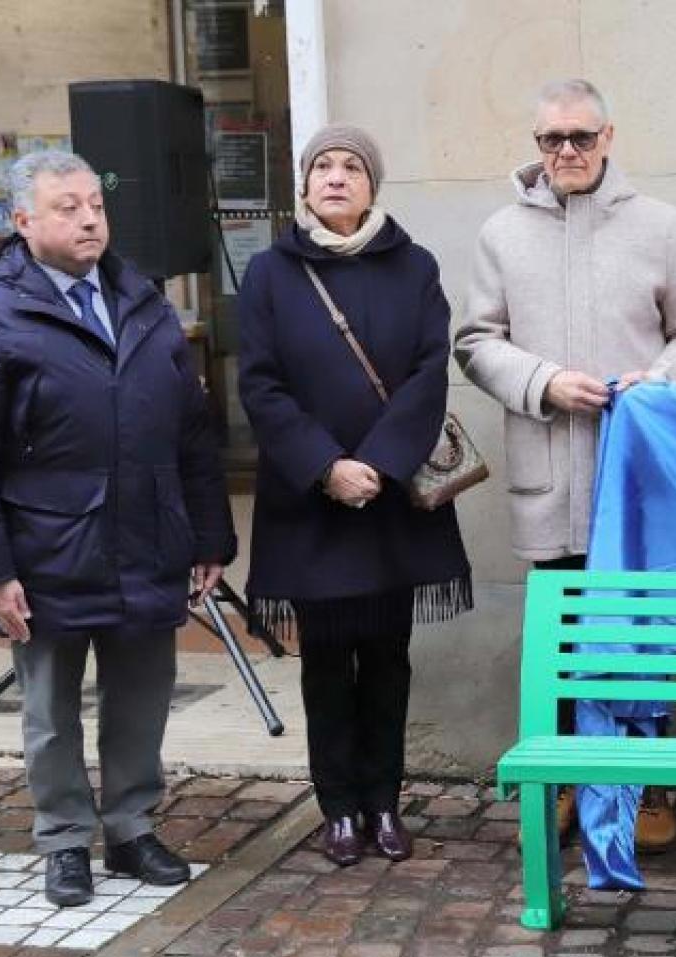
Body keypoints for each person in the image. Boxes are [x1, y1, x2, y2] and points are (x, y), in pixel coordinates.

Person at [0, 150, 235, 906]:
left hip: (147, 539)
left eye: (95, 202)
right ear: (23, 221)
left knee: (141, 697)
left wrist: (209, 535)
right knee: (50, 711)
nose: (89, 217)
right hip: (43, 552)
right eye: (66, 207)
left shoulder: (144, 301)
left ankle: (131, 826)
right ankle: (64, 837)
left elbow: (192, 431)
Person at [455, 80, 676, 851]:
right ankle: (571, 776)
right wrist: (543, 382)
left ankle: (644, 782)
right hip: (552, 473)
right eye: (550, 140)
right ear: (535, 145)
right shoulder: (503, 232)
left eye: (580, 136)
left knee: (642, 632)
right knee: (564, 638)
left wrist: (658, 380)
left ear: (608, 137)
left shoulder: (661, 226)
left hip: (636, 477)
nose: (565, 151)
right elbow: (475, 340)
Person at [238, 125, 473, 868]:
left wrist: (376, 462)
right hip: (310, 506)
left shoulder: (415, 267)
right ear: (305, 184)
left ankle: (383, 800)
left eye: (351, 167)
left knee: (387, 659)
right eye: (322, 167)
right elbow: (260, 385)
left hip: (391, 499)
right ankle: (337, 807)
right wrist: (325, 465)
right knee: (324, 664)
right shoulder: (270, 274)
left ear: (374, 184)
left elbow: (431, 374)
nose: (336, 178)